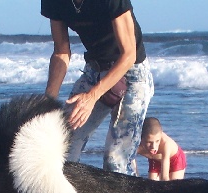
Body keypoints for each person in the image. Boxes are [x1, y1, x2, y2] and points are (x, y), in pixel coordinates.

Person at [41, 0, 154, 175]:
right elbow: (61, 51)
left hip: (132, 73)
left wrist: (92, 97)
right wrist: (48, 100)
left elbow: (129, 54)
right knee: (62, 147)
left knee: (116, 160)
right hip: (95, 70)